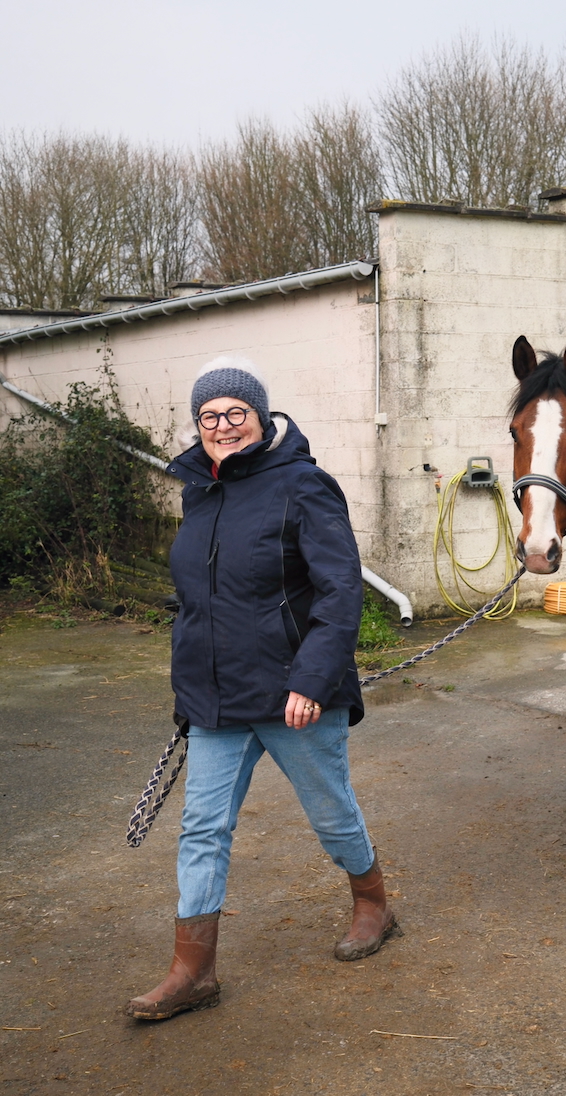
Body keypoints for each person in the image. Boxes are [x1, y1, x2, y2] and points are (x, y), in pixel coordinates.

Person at [127, 356, 399, 1021]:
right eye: (209, 415)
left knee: (331, 814)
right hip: (217, 699)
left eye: (235, 412)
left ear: (260, 415)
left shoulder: (303, 484)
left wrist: (312, 678)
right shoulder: (200, 490)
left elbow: (340, 590)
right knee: (202, 828)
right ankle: (193, 970)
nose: (222, 425)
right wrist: (190, 682)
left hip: (293, 697)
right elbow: (199, 599)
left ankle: (373, 902)